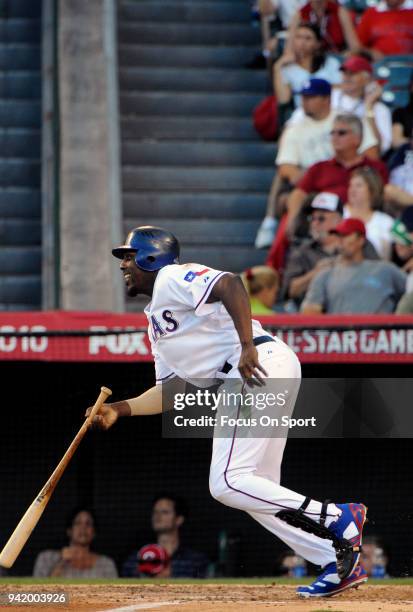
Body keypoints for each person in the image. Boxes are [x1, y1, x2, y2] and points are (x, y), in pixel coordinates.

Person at [87, 225, 369, 598]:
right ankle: (333, 561)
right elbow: (172, 391)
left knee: (226, 482)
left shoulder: (170, 277)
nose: (123, 265)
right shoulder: (155, 322)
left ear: (149, 257)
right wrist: (119, 410)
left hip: (255, 365)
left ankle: (337, 517)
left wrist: (246, 346)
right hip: (260, 369)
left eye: (128, 256)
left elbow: (230, 284)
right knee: (254, 492)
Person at [255, 79, 379, 249]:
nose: (305, 101)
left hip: (351, 183)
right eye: (304, 97)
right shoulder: (295, 128)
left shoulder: (344, 119)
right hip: (315, 189)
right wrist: (316, 174)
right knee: (291, 208)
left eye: (311, 97)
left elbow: (372, 154)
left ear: (326, 99)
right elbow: (286, 169)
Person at [285, 114, 389, 235]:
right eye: (332, 133)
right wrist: (293, 218)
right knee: (285, 225)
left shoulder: (375, 168)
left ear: (357, 138)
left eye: (341, 133)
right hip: (324, 226)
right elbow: (298, 193)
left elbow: (384, 196)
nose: (335, 137)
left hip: (368, 224)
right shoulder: (319, 168)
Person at [281, 192, 378, 308]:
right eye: (312, 218)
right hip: (312, 315)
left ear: (338, 220)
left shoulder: (360, 244)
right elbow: (290, 291)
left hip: (356, 306)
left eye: (321, 218)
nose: (314, 223)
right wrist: (314, 274)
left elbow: (378, 274)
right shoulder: (301, 251)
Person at [301, 218, 406, 313]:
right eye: (338, 236)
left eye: (346, 235)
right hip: (343, 332)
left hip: (380, 332)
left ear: (361, 240)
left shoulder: (385, 270)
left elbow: (409, 292)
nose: (340, 240)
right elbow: (310, 311)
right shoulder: (326, 274)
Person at [122, 494, 208, 578]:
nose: (158, 516)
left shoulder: (194, 561)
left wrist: (172, 578)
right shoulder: (138, 559)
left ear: (179, 519)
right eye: (155, 512)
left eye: (165, 512)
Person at [331, 55, 392, 155]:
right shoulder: (330, 97)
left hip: (361, 158)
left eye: (352, 74)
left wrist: (369, 107)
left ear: (367, 79)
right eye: (344, 73)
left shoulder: (380, 109)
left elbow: (381, 148)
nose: (347, 77)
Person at [273, 22, 342, 110]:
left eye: (308, 38)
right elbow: (283, 99)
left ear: (318, 44)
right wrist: (277, 66)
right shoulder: (286, 68)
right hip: (303, 114)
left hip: (331, 110)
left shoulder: (331, 63)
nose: (302, 42)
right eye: (298, 37)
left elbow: (342, 87)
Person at [33, 508, 118, 578]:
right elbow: (39, 594)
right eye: (78, 523)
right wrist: (62, 562)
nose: (83, 528)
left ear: (94, 532)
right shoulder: (46, 558)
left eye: (88, 524)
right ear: (69, 530)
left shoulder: (106, 564)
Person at [344, 167, 395, 259]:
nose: (352, 189)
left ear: (372, 190)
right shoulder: (339, 214)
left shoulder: (386, 222)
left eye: (358, 185)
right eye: (350, 185)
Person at [285, 0, 360, 54]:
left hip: (335, 57)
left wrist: (344, 56)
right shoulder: (300, 14)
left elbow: (355, 47)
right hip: (309, 58)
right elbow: (289, 48)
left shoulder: (339, 12)